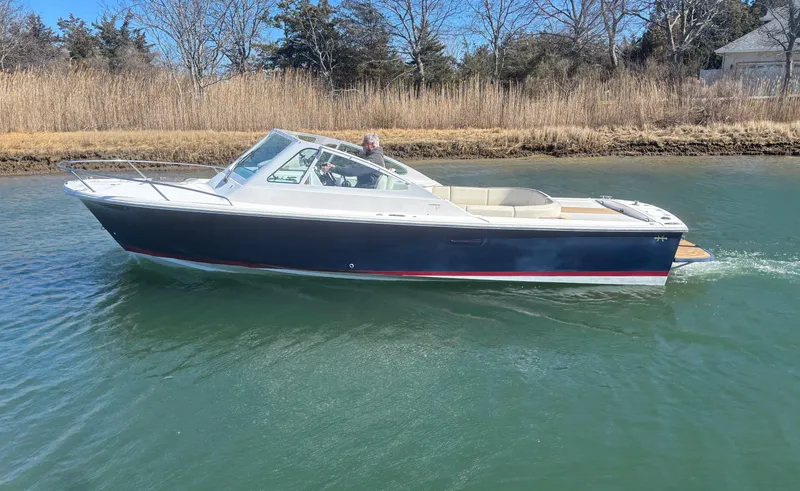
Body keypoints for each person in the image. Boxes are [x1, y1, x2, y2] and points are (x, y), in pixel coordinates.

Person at [320, 133, 385, 188]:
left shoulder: (375, 159)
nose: (362, 146)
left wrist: (333, 169)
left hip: (364, 193)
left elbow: (355, 170)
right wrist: (334, 166)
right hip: (362, 190)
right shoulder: (374, 156)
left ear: (371, 145)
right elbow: (355, 166)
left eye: (364, 144)